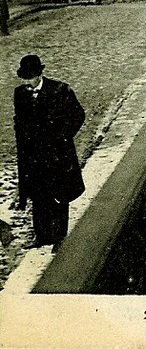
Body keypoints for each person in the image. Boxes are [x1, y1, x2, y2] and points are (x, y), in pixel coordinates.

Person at [11, 54, 86, 252]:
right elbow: (20, 123)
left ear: (40, 74)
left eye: (30, 77)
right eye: (24, 78)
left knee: (59, 194)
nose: (26, 82)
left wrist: (62, 137)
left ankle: (60, 237)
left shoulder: (60, 90)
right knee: (38, 195)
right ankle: (42, 236)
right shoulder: (20, 94)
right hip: (34, 155)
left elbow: (78, 115)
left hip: (57, 154)